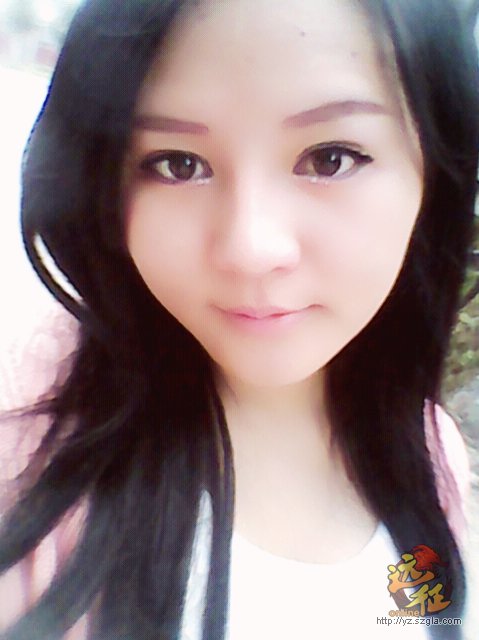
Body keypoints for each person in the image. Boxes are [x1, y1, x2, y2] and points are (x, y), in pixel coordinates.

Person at [0, 0, 477, 638]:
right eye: (177, 164)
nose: (250, 249)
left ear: (433, 179)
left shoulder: (432, 452)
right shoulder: (32, 450)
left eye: (330, 158)